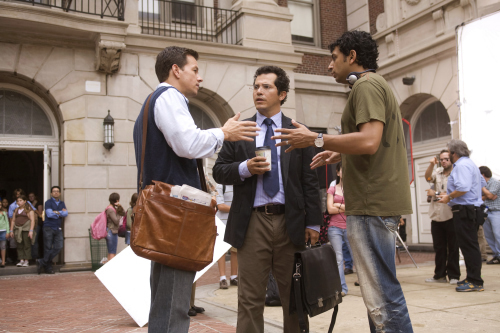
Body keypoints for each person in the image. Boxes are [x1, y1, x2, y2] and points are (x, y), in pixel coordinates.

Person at [272, 31, 413, 332]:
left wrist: (317, 138)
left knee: (382, 296)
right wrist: (338, 154)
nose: (328, 65)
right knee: (379, 294)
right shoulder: (372, 85)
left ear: (351, 57)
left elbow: (370, 140)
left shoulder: (366, 85)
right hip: (373, 202)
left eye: (333, 58)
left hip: (371, 203)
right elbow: (376, 143)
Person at [132, 46, 259, 333]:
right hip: (176, 215)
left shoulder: (153, 101)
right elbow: (187, 144)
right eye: (195, 70)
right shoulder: (169, 97)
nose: (199, 78)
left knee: (166, 298)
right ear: (175, 70)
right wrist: (224, 133)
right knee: (175, 302)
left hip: (164, 212)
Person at [213, 65, 321, 333]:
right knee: (249, 299)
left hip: (291, 223)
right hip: (252, 224)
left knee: (294, 298)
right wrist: (244, 168)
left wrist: (315, 224)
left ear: (282, 94)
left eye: (266, 87)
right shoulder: (241, 129)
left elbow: (310, 182)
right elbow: (219, 170)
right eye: (256, 86)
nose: (259, 91)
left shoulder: (297, 130)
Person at [437, 139, 485, 292]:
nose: (448, 156)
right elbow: (481, 184)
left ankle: (475, 281)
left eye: (449, 153)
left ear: (454, 153)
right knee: (469, 245)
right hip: (470, 209)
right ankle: (472, 277)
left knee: (469, 246)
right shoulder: (470, 164)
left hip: (465, 210)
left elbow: (463, 188)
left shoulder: (461, 165)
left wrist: (449, 197)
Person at [424, 150, 460, 284]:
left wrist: (436, 193)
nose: (444, 161)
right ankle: (439, 275)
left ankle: (454, 275)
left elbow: (454, 192)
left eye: (446, 159)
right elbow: (427, 178)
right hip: (436, 215)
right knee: (439, 248)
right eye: (441, 159)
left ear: (451, 160)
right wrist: (431, 165)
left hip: (450, 214)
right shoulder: (437, 171)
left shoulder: (456, 173)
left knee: (453, 247)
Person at [326, 161, 354, 296]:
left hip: (350, 226)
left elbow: (354, 208)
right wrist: (344, 207)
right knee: (338, 258)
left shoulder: (352, 189)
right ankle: (342, 288)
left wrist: (338, 204)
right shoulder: (331, 189)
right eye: (342, 170)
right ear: (337, 172)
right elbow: (329, 209)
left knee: (357, 256)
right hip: (334, 228)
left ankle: (367, 285)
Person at [37, 186, 68, 274]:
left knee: (59, 246)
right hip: (48, 227)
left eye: (57, 191)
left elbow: (66, 213)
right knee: (47, 247)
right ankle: (48, 267)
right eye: (54, 191)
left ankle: (42, 261)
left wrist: (56, 212)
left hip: (58, 228)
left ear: (60, 193)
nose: (56, 193)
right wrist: (60, 213)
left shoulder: (62, 203)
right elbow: (49, 214)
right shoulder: (48, 202)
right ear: (51, 193)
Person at [215, 183, 238, 289]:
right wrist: (238, 210)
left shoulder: (239, 185)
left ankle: (234, 277)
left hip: (235, 223)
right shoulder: (220, 185)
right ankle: (222, 278)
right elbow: (220, 206)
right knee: (221, 252)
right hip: (222, 223)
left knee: (235, 251)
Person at [479, 166, 500, 264]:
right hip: (486, 212)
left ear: (482, 175)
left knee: (497, 234)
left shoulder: (495, 182)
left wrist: (483, 188)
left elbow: (491, 195)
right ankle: (496, 256)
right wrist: (487, 194)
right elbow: (480, 197)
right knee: (489, 236)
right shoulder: (483, 185)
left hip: (496, 212)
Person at [9, 195, 36, 267]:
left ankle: (26, 260)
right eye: (18, 201)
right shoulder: (16, 210)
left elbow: (32, 220)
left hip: (26, 229)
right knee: (19, 244)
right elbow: (13, 221)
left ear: (25, 201)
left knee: (26, 244)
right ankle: (21, 259)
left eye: (21, 201)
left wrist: (31, 230)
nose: (19, 202)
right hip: (18, 229)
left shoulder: (28, 209)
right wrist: (11, 230)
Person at [105, 193, 125, 262]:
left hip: (112, 232)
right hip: (111, 232)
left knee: (111, 251)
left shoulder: (112, 208)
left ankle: (108, 270)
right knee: (112, 252)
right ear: (116, 200)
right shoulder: (110, 210)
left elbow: (124, 213)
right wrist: (118, 214)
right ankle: (111, 270)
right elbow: (116, 221)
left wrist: (119, 207)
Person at [28, 192, 44, 260]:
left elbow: (40, 214)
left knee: (35, 239)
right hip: (30, 223)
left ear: (35, 197)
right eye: (29, 196)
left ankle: (35, 256)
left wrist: (33, 208)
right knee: (31, 240)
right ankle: (31, 255)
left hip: (37, 224)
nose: (31, 198)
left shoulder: (38, 204)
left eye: (32, 196)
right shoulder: (27, 204)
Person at [0, 198, 10, 267]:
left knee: (3, 247)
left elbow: (7, 222)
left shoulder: (3, 213)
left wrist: (8, 231)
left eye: (0, 205)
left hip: (3, 231)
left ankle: (3, 262)